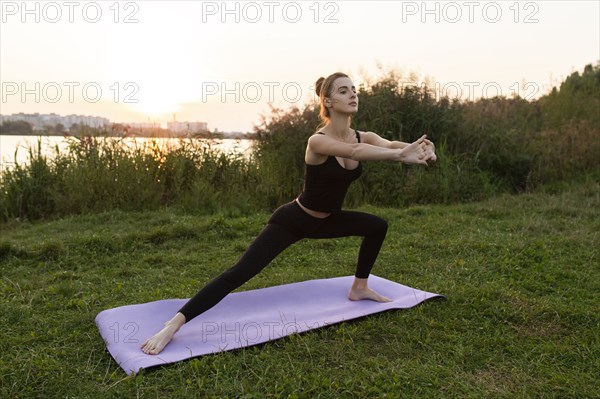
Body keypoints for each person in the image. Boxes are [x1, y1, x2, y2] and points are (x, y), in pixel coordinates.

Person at [141, 72, 437, 355]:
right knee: (240, 272)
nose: (353, 95)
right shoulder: (317, 141)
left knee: (377, 226)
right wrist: (400, 156)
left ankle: (359, 288)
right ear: (329, 102)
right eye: (344, 91)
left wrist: (422, 148)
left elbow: (392, 145)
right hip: (295, 220)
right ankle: (174, 324)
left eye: (355, 90)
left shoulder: (364, 134)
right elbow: (356, 154)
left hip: (329, 220)